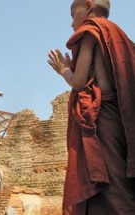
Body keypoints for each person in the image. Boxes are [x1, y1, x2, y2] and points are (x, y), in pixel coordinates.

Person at [47, 0, 135, 214]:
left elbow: (78, 81)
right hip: (119, 118)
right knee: (118, 177)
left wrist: (63, 69)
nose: (71, 24)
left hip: (101, 117)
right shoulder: (120, 36)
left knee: (107, 182)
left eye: (72, 15)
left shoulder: (90, 31)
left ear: (87, 7)